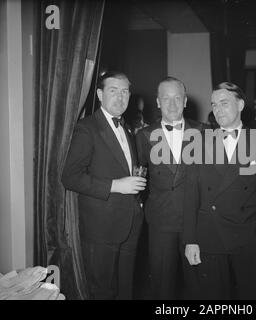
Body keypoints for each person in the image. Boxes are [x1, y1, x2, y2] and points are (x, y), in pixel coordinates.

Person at [183, 82, 256, 299]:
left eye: (224, 103)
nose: (217, 109)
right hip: (210, 237)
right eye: (214, 104)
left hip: (249, 236)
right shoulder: (200, 142)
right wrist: (190, 239)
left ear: (241, 104)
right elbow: (191, 195)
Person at [61, 71, 147, 299]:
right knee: (103, 292)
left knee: (125, 290)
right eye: (113, 91)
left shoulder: (127, 129)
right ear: (99, 94)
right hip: (101, 228)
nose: (120, 97)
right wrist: (115, 185)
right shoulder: (86, 128)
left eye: (125, 91)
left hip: (130, 223)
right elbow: (69, 177)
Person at [135, 77, 206, 299]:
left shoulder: (205, 132)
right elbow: (137, 176)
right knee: (161, 288)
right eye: (166, 98)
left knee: (200, 287)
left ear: (185, 101)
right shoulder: (144, 136)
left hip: (196, 222)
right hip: (160, 222)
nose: (172, 104)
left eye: (177, 98)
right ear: (157, 102)